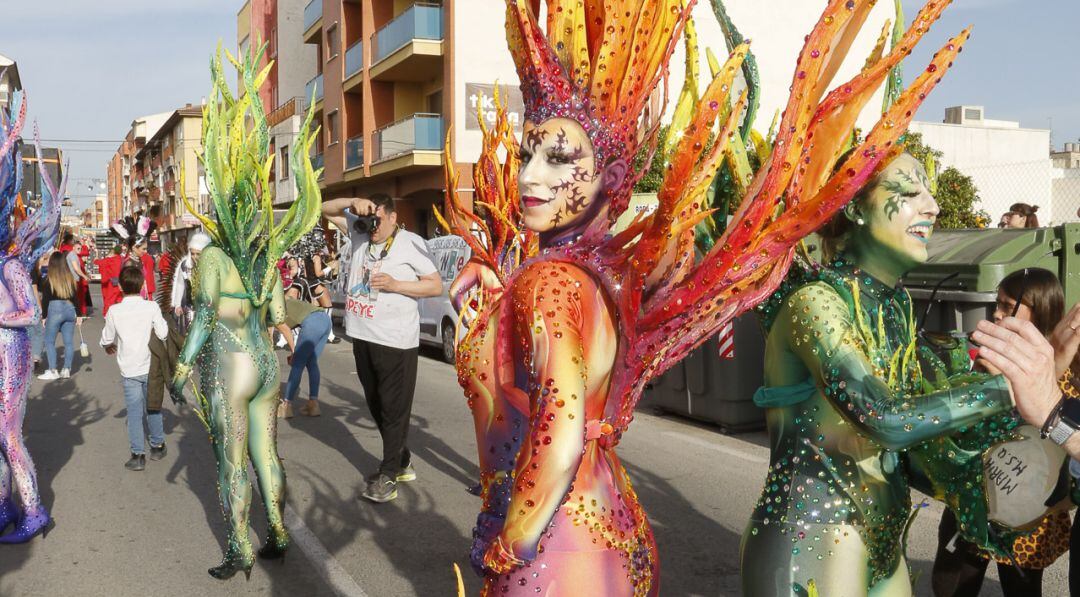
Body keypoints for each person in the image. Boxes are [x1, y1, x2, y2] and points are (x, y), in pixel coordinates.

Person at [439, 0, 971, 593]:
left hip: (556, 543)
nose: (529, 175)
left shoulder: (553, 282)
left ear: (611, 180)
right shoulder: (590, 280)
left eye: (558, 158)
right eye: (529, 152)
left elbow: (560, 425)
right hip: (615, 529)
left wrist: (509, 544)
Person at [739, 149, 1067, 595]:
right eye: (910, 192)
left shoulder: (894, 307)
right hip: (813, 533)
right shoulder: (816, 303)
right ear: (854, 207)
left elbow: (919, 440)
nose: (932, 206)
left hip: (883, 537)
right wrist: (1010, 388)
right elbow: (884, 419)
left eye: (929, 191)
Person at [169, 45, 321, 580]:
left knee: (232, 461)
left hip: (229, 366)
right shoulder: (266, 254)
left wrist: (183, 366)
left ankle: (241, 547)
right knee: (266, 452)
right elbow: (281, 311)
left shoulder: (212, 256)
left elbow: (206, 316)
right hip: (264, 362)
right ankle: (277, 530)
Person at [931, 268, 1071, 596]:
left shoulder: (1059, 375)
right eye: (997, 303)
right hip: (972, 502)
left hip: (1026, 518)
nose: (997, 313)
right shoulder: (983, 358)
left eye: (1009, 306)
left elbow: (1056, 442)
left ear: (1041, 311)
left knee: (1021, 590)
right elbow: (958, 428)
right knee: (949, 585)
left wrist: (1006, 393)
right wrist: (982, 386)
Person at [323, 193, 441, 503]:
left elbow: (434, 285)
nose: (373, 227)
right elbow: (322, 209)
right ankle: (400, 458)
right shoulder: (360, 230)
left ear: (392, 216)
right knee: (376, 405)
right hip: (362, 335)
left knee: (393, 410)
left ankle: (388, 475)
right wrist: (353, 202)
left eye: (378, 220)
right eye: (370, 220)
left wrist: (396, 285)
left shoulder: (410, 243)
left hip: (396, 340)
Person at [0, 87, 63, 544]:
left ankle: (35, 510)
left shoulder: (10, 265)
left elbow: (31, 314)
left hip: (13, 358)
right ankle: (4, 507)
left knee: (9, 435)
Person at [101, 266, 169, 472]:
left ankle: (138, 454)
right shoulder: (151, 307)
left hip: (129, 369)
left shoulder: (114, 311)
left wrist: (108, 346)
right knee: (153, 406)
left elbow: (106, 338)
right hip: (150, 365)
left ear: (120, 286)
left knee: (133, 412)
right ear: (142, 286)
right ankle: (157, 445)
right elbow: (163, 333)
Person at [273, 297, 330, 418]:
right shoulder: (283, 299)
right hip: (325, 319)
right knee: (311, 362)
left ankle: (286, 406)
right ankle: (313, 404)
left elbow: (285, 330)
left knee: (297, 364)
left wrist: (294, 352)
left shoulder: (272, 307)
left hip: (312, 322)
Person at [37, 251, 79, 380]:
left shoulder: (48, 279)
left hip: (55, 308)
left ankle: (52, 370)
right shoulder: (70, 279)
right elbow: (75, 297)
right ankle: (67, 369)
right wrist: (79, 314)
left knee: (49, 341)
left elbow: (45, 299)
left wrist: (44, 317)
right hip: (70, 308)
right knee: (68, 342)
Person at [95, 245, 125, 315]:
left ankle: (107, 315)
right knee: (119, 298)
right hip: (120, 281)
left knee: (109, 299)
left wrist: (96, 255)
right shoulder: (121, 259)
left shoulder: (109, 260)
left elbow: (97, 262)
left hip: (110, 282)